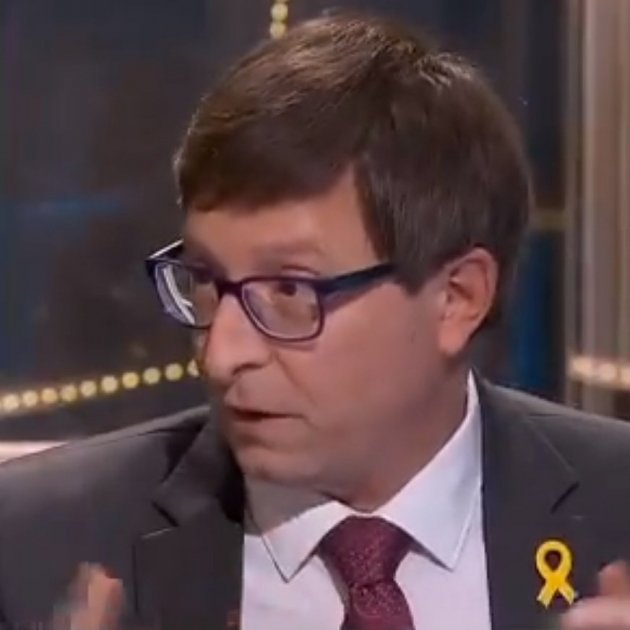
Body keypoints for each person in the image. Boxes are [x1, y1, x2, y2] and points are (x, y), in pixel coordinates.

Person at [2, 10, 630, 630]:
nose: (221, 355)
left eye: (289, 290)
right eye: (207, 281)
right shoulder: (31, 552)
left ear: (457, 297)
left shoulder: (617, 512)